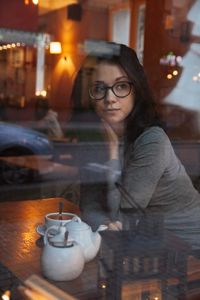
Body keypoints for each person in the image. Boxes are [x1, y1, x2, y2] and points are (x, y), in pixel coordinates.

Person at [74, 42, 200, 252]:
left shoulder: (152, 140)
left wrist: (113, 155)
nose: (110, 98)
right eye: (99, 88)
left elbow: (122, 217)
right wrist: (105, 226)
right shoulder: (99, 139)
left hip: (189, 251)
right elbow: (88, 205)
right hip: (147, 245)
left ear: (136, 90)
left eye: (121, 85)